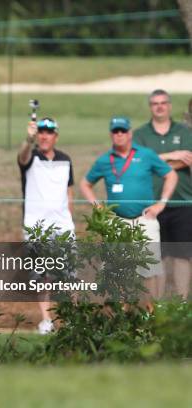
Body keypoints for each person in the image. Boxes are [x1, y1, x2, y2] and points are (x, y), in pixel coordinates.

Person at [80, 116, 178, 299]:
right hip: (117, 221)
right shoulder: (104, 160)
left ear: (130, 133)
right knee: (115, 269)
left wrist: (161, 203)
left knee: (150, 269)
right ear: (111, 134)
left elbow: (170, 174)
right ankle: (121, 315)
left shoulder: (145, 154)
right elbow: (85, 183)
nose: (119, 135)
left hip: (144, 219)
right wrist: (97, 206)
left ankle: (150, 315)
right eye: (115, 131)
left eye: (122, 131)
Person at [18, 117, 75, 334]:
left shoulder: (65, 159)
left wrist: (69, 217)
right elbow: (22, 156)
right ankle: (47, 320)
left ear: (55, 136)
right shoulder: (30, 157)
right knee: (41, 276)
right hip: (36, 226)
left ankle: (71, 319)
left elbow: (69, 192)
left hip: (63, 226)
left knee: (68, 275)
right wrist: (27, 139)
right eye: (41, 132)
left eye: (49, 132)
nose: (44, 136)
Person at [133, 89, 192, 299]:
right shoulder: (140, 134)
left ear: (169, 105)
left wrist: (155, 163)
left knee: (182, 256)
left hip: (183, 202)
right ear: (151, 107)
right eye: (155, 103)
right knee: (156, 257)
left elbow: (188, 160)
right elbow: (136, 162)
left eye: (163, 102)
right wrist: (171, 156)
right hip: (151, 204)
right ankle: (159, 305)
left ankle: (182, 303)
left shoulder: (184, 132)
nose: (160, 106)